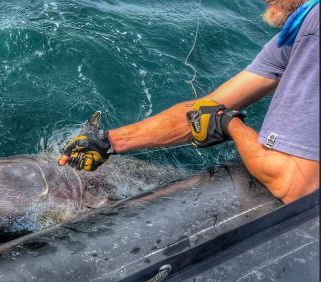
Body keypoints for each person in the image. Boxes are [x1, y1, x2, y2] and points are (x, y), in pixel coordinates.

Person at [58, 0, 319, 204]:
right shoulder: (293, 36)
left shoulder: (314, 26)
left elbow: (295, 186)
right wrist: (109, 142)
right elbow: (206, 110)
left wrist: (231, 126)